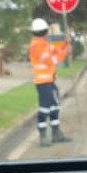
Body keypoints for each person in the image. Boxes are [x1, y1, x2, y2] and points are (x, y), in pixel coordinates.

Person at [29, 18, 71, 147]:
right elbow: (50, 60)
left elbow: (56, 50)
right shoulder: (37, 46)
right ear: (45, 31)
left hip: (50, 81)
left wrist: (65, 44)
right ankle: (43, 136)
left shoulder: (43, 43)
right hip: (43, 82)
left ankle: (56, 133)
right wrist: (65, 52)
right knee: (44, 108)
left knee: (54, 107)